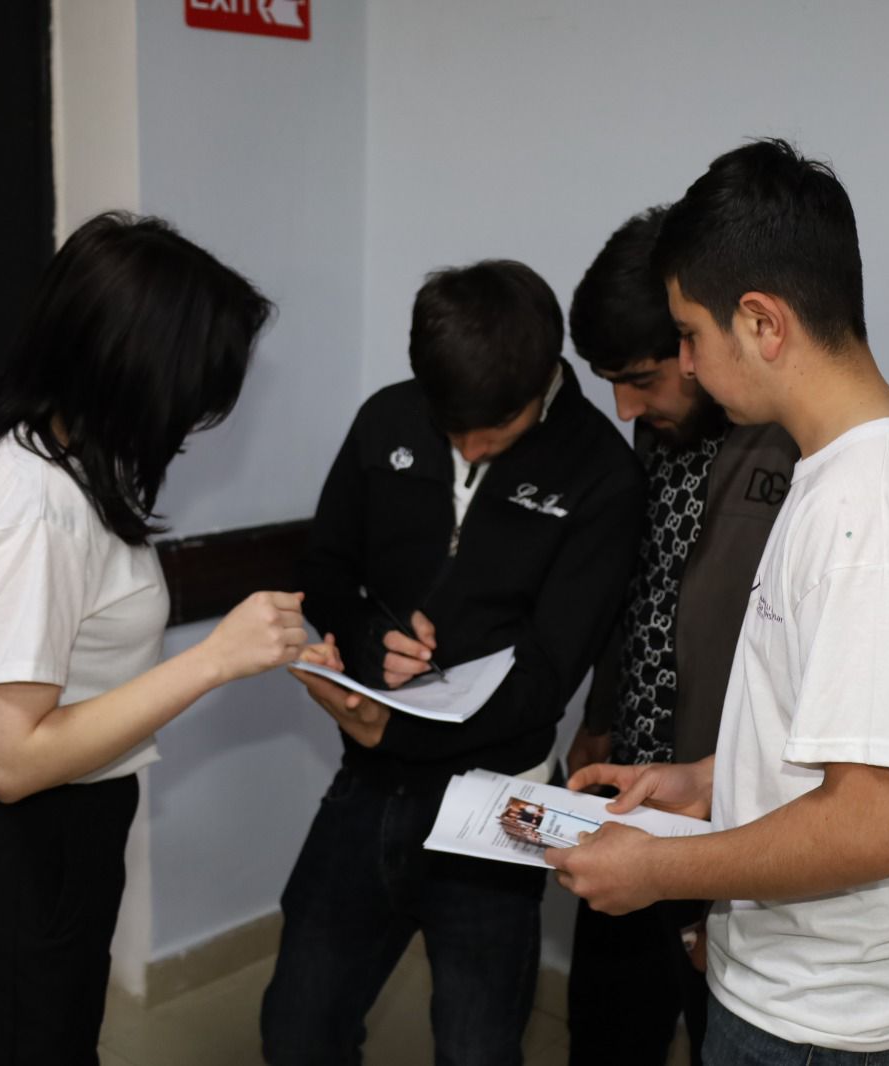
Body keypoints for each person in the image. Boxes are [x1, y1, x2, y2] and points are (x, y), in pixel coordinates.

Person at [0, 212, 326, 1064]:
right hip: (14, 854)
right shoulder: (36, 508)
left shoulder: (10, 440)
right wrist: (215, 659)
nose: (197, 415)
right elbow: (12, 763)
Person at [547, 140, 889, 1065]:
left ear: (762, 322)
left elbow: (875, 823)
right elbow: (849, 742)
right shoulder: (888, 464)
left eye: (690, 334)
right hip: (839, 990)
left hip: (827, 1015)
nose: (684, 363)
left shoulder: (867, 516)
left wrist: (659, 868)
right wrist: (708, 781)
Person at [261, 259, 645, 1065]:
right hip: (369, 785)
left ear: (544, 380)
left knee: (477, 1048)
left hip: (499, 800)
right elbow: (324, 568)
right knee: (297, 1028)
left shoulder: (602, 475)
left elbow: (548, 675)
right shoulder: (387, 419)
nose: (469, 446)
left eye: (493, 429)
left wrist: (390, 729)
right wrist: (370, 639)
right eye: (451, 425)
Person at [562, 206, 799, 1066]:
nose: (625, 407)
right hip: (632, 794)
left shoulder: (797, 446)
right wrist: (601, 716)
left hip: (731, 818)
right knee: (605, 1034)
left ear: (697, 341)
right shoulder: (655, 429)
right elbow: (641, 590)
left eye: (641, 377)